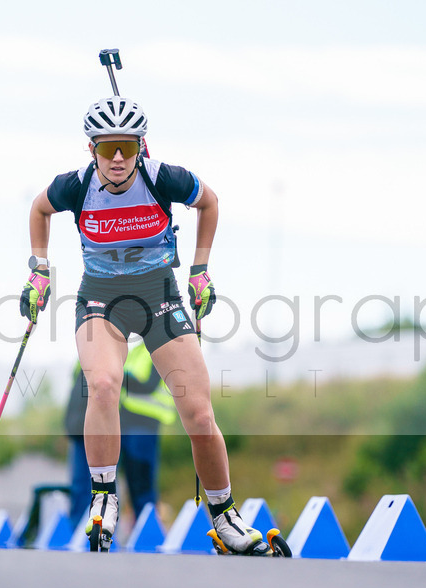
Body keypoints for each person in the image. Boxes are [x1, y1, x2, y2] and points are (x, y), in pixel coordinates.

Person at [21, 94, 273, 554]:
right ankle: (104, 497)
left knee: (198, 413)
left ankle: (226, 515)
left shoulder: (163, 179)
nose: (117, 158)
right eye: (106, 147)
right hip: (101, 297)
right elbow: (39, 210)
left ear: (142, 146)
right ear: (91, 149)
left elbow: (210, 202)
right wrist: (39, 270)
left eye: (127, 147)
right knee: (102, 385)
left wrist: (200, 269)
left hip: (159, 295)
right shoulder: (75, 186)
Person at [65, 341, 175, 528]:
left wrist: (113, 375)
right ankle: (104, 530)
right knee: (103, 484)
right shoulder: (120, 350)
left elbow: (147, 384)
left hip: (143, 426)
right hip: (119, 424)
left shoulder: (151, 348)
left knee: (141, 485)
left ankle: (147, 534)